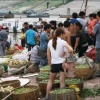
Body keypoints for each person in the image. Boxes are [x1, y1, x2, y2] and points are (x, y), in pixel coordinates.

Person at [45, 28, 73, 100]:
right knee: (62, 81)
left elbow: (48, 53)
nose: (63, 36)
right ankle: (61, 97)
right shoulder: (63, 42)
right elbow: (71, 50)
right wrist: (66, 54)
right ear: (61, 34)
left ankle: (47, 96)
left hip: (54, 64)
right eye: (63, 34)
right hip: (61, 64)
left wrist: (49, 62)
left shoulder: (50, 41)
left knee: (51, 80)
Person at [93, 11, 100, 77]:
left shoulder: (97, 25)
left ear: (98, 16)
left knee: (98, 60)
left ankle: (98, 72)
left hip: (98, 45)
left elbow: (93, 34)